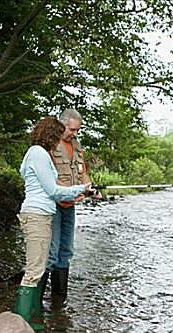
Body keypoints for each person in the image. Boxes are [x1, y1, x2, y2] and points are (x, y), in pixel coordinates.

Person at [14, 116, 93, 331]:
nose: (61, 139)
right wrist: (80, 190)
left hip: (41, 213)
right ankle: (22, 323)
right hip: (38, 215)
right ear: (51, 134)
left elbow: (25, 174)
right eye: (59, 134)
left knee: (38, 265)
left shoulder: (35, 154)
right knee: (35, 269)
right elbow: (52, 189)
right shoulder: (39, 154)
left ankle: (32, 314)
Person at [42, 108, 101, 304]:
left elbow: (83, 173)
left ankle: (59, 303)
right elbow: (48, 179)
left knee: (65, 252)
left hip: (70, 206)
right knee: (51, 252)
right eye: (72, 130)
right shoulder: (49, 145)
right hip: (53, 205)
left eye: (78, 131)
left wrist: (90, 189)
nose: (75, 134)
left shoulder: (76, 145)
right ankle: (37, 305)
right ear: (62, 124)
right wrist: (74, 191)